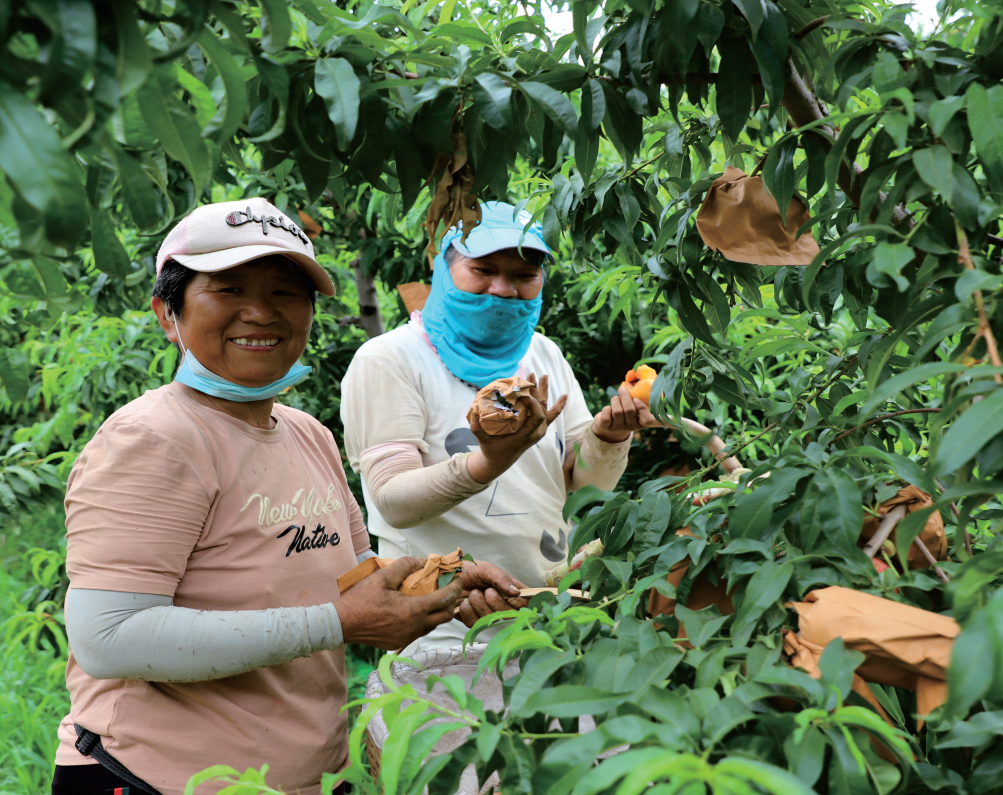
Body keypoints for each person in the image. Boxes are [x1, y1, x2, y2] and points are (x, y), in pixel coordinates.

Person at [50, 198, 522, 795]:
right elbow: (110, 638)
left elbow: (355, 583)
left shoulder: (306, 433)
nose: (260, 312)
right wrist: (336, 623)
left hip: (303, 777)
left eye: (286, 293)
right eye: (228, 289)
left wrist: (447, 584)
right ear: (168, 314)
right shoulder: (154, 438)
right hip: (156, 779)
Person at [340, 201, 653, 653]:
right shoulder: (391, 360)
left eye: (524, 275)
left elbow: (585, 489)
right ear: (443, 271)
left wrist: (608, 436)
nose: (503, 290)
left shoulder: (543, 354)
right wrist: (488, 462)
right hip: (441, 628)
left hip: (553, 611)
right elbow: (393, 502)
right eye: (482, 270)